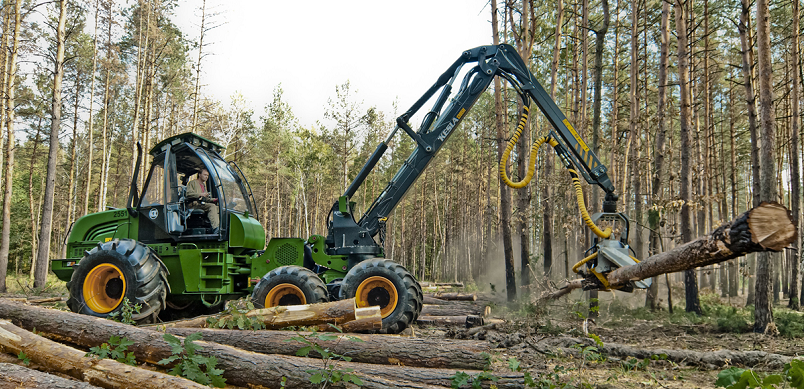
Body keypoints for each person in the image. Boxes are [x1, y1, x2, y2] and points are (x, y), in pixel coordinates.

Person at [186, 168, 219, 233]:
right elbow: (188, 194)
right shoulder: (193, 183)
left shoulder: (203, 185)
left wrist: (215, 200)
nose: (206, 177)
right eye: (205, 175)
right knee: (211, 207)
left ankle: (215, 226)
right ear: (199, 174)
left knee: (218, 208)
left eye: (207, 175)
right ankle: (215, 228)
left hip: (201, 204)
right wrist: (200, 194)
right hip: (194, 205)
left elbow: (206, 199)